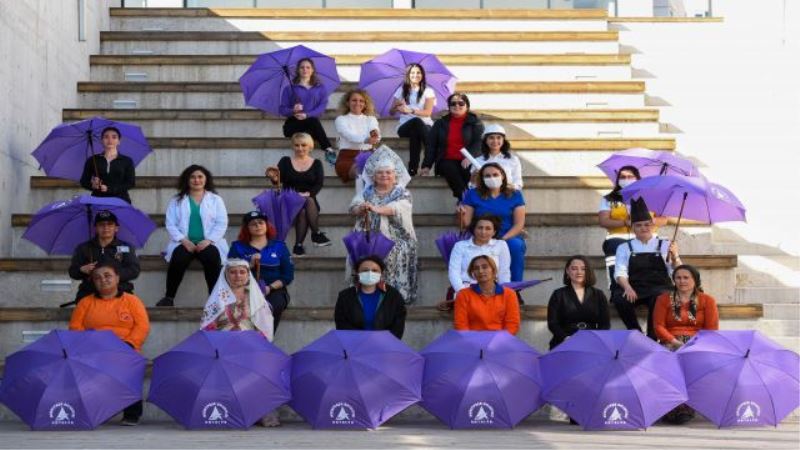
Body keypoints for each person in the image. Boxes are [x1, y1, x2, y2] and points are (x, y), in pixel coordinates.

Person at [69, 261, 150, 426]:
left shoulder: (132, 301)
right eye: (97, 278)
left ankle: (132, 413)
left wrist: (129, 344)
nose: (103, 280)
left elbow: (142, 326)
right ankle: (94, 411)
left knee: (129, 364)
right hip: (93, 349)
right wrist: (91, 346)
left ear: (117, 278)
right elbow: (75, 327)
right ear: (93, 282)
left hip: (125, 348)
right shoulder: (85, 303)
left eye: (107, 276)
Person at [200, 259, 278, 427]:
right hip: (223, 344)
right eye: (233, 272)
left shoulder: (255, 297)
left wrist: (255, 342)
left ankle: (258, 413)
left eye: (242, 272)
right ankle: (228, 413)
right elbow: (207, 325)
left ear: (248, 275)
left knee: (259, 369)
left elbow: (265, 324)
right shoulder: (218, 297)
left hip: (250, 344)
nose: (238, 276)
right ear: (226, 275)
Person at [653, 264, 718, 424]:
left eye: (686, 277)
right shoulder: (663, 299)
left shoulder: (707, 300)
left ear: (695, 280)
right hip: (671, 341)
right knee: (669, 362)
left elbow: (711, 330)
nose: (682, 281)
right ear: (673, 280)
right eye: (678, 278)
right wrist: (675, 342)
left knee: (695, 362)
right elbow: (658, 326)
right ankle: (672, 408)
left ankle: (687, 407)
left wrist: (694, 345)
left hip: (698, 343)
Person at [349, 154, 418, 304]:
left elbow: (397, 208)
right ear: (374, 177)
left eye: (388, 172)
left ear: (395, 176)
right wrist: (361, 208)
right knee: (357, 249)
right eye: (380, 172)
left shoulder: (402, 193)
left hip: (397, 236)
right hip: (369, 234)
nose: (384, 175)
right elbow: (353, 207)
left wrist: (375, 208)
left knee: (392, 250)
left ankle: (391, 296)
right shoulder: (366, 192)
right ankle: (362, 294)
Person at [157, 165, 228, 307]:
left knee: (212, 258)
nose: (197, 180)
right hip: (184, 242)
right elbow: (170, 223)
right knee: (178, 258)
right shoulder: (176, 200)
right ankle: (169, 297)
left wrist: (208, 240)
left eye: (200, 177)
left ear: (206, 179)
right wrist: (183, 240)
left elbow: (222, 223)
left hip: (208, 243)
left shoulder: (216, 200)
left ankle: (215, 300)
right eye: (193, 177)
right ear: (187, 180)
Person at [612, 197, 681, 340]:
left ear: (653, 226)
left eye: (647, 224)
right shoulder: (624, 247)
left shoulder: (665, 245)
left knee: (660, 298)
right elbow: (620, 272)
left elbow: (678, 271)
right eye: (639, 225)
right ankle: (635, 333)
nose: (643, 228)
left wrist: (675, 256)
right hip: (634, 287)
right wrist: (627, 288)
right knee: (619, 298)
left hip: (659, 287)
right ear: (632, 227)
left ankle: (652, 337)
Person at [598, 165, 666, 291]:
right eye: (623, 177)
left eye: (630, 177)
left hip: (647, 237)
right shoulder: (609, 199)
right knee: (615, 254)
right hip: (618, 238)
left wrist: (648, 221)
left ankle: (649, 291)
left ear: (637, 179)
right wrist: (625, 222)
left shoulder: (650, 197)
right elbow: (603, 221)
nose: (626, 179)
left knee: (652, 264)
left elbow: (664, 220)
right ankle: (618, 291)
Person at [266, 132, 331, 256]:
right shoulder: (285, 161)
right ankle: (316, 233)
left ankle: (298, 245)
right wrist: (273, 177)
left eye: (303, 145)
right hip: (288, 200)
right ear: (293, 146)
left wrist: (309, 193)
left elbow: (319, 184)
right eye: (297, 145)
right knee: (307, 200)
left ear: (310, 146)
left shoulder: (316, 163)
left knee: (304, 208)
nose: (300, 148)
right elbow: (277, 182)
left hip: (308, 201)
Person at [461, 163, 527, 283]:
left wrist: (502, 239)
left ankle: (515, 288)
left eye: (495, 174)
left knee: (515, 246)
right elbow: (467, 223)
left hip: (507, 236)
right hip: (481, 235)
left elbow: (519, 223)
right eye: (487, 176)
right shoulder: (472, 194)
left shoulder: (515, 194)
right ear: (482, 178)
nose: (492, 178)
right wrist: (461, 214)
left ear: (502, 175)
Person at [228, 211, 293, 331]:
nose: (258, 226)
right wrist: (249, 265)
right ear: (247, 228)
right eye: (253, 224)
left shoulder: (279, 246)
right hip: (245, 291)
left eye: (261, 222)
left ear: (267, 225)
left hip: (274, 291)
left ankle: (265, 339)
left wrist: (269, 288)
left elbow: (287, 275)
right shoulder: (237, 247)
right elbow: (229, 272)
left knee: (270, 307)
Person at [66, 210, 140, 307]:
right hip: (90, 292)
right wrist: (82, 270)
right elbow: (73, 271)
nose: (106, 228)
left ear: (116, 228)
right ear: (96, 228)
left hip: (120, 292)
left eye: (110, 224)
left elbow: (134, 270)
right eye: (101, 225)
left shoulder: (126, 247)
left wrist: (112, 275)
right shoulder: (83, 248)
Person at [421, 92, 485, 201]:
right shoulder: (440, 123)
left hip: (468, 160)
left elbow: (479, 142)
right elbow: (431, 145)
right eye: (453, 103)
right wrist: (426, 166)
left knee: (468, 173)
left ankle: (465, 203)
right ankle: (467, 201)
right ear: (449, 107)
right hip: (446, 160)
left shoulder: (475, 122)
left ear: (467, 106)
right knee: (451, 170)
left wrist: (470, 157)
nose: (457, 106)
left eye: (461, 103)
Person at [278, 58, 336, 165]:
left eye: (308, 67)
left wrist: (306, 115)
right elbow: (282, 109)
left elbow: (321, 107)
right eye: (302, 67)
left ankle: (305, 167)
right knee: (312, 124)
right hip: (293, 124)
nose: (305, 69)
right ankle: (328, 148)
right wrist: (293, 110)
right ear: (298, 70)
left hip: (311, 125)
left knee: (310, 127)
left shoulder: (320, 88)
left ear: (312, 70)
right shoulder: (289, 89)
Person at [334, 255, 407, 339]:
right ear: (357, 273)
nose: (370, 273)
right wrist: (360, 340)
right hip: (354, 344)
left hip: (385, 344)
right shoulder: (345, 296)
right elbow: (341, 324)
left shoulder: (393, 295)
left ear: (381, 273)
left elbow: (398, 325)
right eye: (365, 270)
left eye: (375, 270)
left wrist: (384, 341)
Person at [546, 255, 610, 350]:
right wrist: (565, 338)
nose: (579, 272)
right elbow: (553, 323)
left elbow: (605, 324)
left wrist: (594, 339)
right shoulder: (558, 294)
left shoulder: (598, 294)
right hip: (564, 342)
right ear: (567, 271)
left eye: (583, 269)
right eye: (574, 269)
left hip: (592, 342)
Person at [453, 255, 520, 335]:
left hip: (500, 340)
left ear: (493, 270)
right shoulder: (463, 295)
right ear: (473, 273)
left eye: (484, 267)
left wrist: (498, 341)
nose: (480, 271)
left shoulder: (509, 294)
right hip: (472, 340)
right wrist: (473, 341)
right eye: (476, 268)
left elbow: (512, 324)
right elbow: (461, 325)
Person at [389, 63, 436, 176]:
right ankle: (427, 164)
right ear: (408, 75)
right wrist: (397, 106)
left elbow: (428, 112)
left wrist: (410, 111)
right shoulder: (401, 90)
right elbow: (391, 112)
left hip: (425, 125)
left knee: (416, 131)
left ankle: (412, 169)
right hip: (405, 126)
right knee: (416, 121)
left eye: (418, 72)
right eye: (412, 73)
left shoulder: (428, 91)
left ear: (422, 75)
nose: (415, 75)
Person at [448, 214, 510, 294]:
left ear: (494, 232)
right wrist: (462, 292)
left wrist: (503, 292)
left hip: (492, 290)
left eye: (488, 228)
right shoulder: (460, 246)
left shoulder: (501, 245)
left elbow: (504, 272)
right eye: (480, 228)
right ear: (474, 229)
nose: (483, 232)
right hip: (466, 288)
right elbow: (454, 272)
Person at [334, 89, 381, 183]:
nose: (358, 103)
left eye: (361, 101)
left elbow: (376, 133)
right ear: (347, 103)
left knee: (382, 168)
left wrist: (375, 134)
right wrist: (366, 139)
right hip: (347, 157)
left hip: (368, 154)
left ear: (365, 104)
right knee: (361, 170)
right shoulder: (341, 119)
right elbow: (349, 136)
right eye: (354, 100)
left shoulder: (371, 119)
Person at [79, 126, 135, 204]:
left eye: (114, 137)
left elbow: (130, 183)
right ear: (101, 140)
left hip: (120, 201)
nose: (110, 140)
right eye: (106, 137)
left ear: (119, 141)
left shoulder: (127, 160)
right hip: (98, 200)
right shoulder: (92, 160)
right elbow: (84, 181)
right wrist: (93, 185)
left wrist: (109, 189)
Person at [470, 124, 523, 190]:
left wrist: (510, 187)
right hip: (484, 195)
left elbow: (518, 183)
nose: (495, 141)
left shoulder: (513, 160)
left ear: (503, 140)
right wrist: (473, 180)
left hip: (507, 194)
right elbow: (472, 186)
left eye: (498, 137)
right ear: (486, 140)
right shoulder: (477, 161)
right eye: (491, 138)